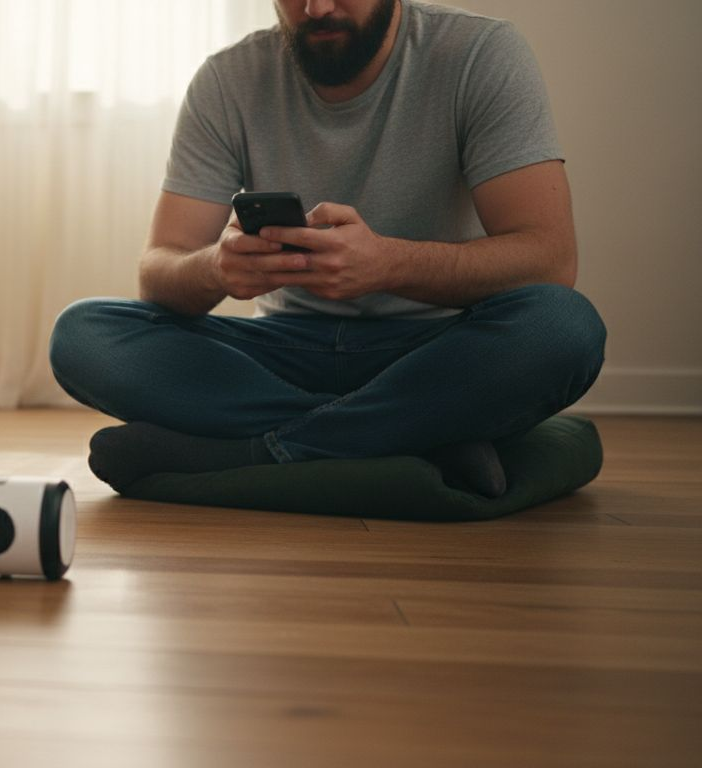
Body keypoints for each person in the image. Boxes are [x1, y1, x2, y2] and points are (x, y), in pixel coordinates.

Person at [48, 0, 606, 498]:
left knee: (562, 327)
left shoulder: (479, 53)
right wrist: (215, 269)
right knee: (84, 334)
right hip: (282, 352)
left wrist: (388, 264)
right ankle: (413, 435)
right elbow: (160, 269)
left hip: (435, 350)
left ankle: (248, 454)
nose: (315, 8)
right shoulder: (227, 78)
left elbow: (549, 258)